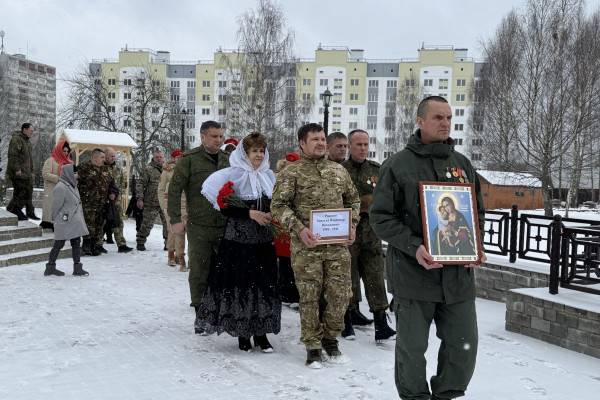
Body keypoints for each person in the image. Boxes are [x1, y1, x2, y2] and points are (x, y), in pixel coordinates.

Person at [369, 96, 486, 400]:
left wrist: (476, 243)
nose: (445, 123)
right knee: (411, 349)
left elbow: (477, 213)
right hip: (414, 275)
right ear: (420, 120)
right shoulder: (397, 165)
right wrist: (415, 246)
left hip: (457, 278)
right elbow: (380, 217)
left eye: (448, 117)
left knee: (464, 346)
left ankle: (446, 394)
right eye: (437, 117)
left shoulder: (462, 165)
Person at [271, 123, 360, 368]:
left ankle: (330, 338)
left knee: (341, 295)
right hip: (307, 247)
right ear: (302, 143)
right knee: (309, 297)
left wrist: (352, 224)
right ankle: (312, 345)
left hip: (337, 246)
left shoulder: (338, 171)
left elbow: (353, 199)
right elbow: (278, 206)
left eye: (322, 138)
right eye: (315, 139)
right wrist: (299, 229)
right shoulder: (292, 172)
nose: (321, 143)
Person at [198, 132, 281, 352]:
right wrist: (249, 215)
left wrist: (271, 215)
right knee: (242, 285)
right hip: (238, 241)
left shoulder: (269, 177)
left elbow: (277, 204)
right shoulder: (231, 174)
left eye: (262, 151)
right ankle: (243, 333)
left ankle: (261, 333)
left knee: (263, 286)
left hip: (263, 241)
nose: (259, 155)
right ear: (245, 153)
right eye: (255, 151)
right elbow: (225, 207)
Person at [168, 120, 230, 334]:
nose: (219, 140)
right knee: (200, 270)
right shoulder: (189, 160)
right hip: (199, 225)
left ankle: (218, 312)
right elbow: (175, 190)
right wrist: (175, 219)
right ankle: (200, 314)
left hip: (224, 224)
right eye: (214, 136)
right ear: (203, 136)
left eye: (221, 136)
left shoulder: (227, 160)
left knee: (222, 270)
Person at [341, 129, 396, 342]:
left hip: (372, 233)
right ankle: (346, 321)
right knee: (348, 278)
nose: (363, 148)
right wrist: (358, 205)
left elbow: (386, 198)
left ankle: (381, 323)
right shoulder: (339, 170)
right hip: (347, 233)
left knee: (375, 277)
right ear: (349, 146)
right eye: (358, 144)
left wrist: (372, 204)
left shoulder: (377, 170)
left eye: (366, 144)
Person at [44, 164, 89, 277]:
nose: (77, 175)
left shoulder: (73, 185)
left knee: (76, 243)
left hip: (74, 222)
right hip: (65, 221)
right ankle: (50, 267)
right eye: (74, 173)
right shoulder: (60, 187)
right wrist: (57, 220)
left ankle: (77, 268)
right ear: (68, 173)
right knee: (59, 244)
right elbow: (55, 206)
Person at [273, 152, 301, 307]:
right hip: (283, 224)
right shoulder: (278, 180)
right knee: (285, 260)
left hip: (294, 224)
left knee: (293, 260)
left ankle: (291, 291)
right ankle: (287, 292)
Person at [77, 148, 113, 256]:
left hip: (101, 203)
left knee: (98, 225)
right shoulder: (84, 167)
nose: (104, 159)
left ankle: (95, 246)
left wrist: (112, 192)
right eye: (102, 157)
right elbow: (75, 181)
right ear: (94, 158)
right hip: (88, 203)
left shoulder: (106, 169)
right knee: (89, 225)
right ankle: (86, 245)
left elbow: (111, 184)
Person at [158, 149, 187, 271]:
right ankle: (171, 253)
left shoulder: (187, 169)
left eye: (181, 157)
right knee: (172, 229)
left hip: (185, 204)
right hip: (169, 204)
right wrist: (163, 205)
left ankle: (180, 255)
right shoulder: (168, 170)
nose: (179, 159)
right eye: (177, 157)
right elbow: (161, 189)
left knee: (182, 230)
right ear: (174, 158)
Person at [136, 149, 167, 251]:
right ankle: (140, 241)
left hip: (165, 202)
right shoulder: (148, 169)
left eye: (160, 157)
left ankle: (168, 243)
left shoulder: (168, 169)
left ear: (163, 157)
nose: (159, 159)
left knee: (168, 224)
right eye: (157, 157)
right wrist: (140, 198)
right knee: (147, 224)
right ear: (153, 157)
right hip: (151, 202)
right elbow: (140, 184)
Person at [6, 123, 38, 221]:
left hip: (26, 173)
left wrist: (32, 171)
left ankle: (29, 212)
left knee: (28, 191)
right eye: (31, 130)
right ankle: (15, 209)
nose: (32, 132)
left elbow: (29, 159)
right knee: (23, 191)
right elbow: (13, 155)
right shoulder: (17, 139)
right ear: (24, 129)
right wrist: (17, 169)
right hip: (18, 172)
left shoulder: (27, 142)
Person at [104, 147, 133, 253]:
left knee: (118, 222)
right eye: (111, 156)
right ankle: (97, 244)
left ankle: (121, 244)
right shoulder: (101, 168)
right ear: (105, 156)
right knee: (101, 222)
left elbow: (121, 184)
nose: (113, 158)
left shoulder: (118, 168)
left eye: (114, 155)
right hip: (103, 201)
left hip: (116, 201)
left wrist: (116, 195)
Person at [41, 140, 73, 230]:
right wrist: (59, 179)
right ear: (59, 150)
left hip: (66, 191)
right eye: (64, 151)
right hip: (53, 190)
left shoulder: (69, 162)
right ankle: (50, 224)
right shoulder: (51, 160)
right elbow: (45, 174)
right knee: (52, 209)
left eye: (67, 151)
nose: (66, 153)